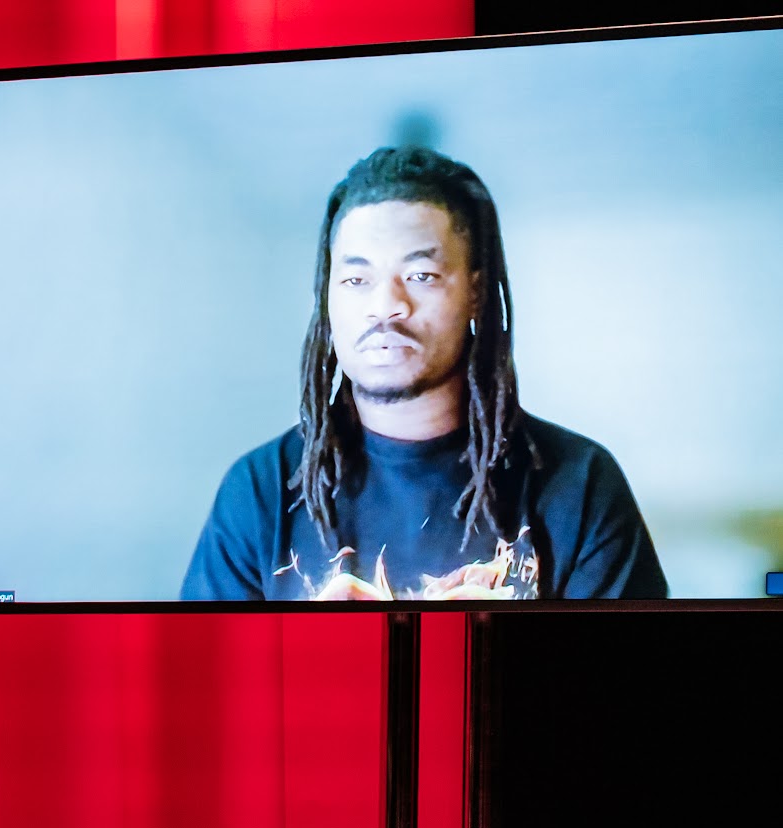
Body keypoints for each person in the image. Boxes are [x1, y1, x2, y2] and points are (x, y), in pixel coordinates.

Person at [182, 146, 666, 602]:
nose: (387, 305)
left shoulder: (577, 486)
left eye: (421, 276)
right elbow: (209, 685)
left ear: (475, 292)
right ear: (328, 298)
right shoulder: (260, 491)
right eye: (356, 279)